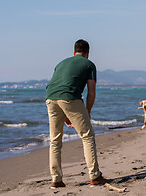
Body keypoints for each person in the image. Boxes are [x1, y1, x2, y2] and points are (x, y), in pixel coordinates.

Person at [45, 39, 108, 189]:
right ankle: (95, 176)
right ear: (87, 54)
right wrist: (87, 112)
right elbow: (91, 92)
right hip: (69, 99)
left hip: (50, 98)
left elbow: (60, 86)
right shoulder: (89, 64)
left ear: (74, 52)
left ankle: (56, 180)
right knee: (87, 136)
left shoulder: (61, 63)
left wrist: (67, 113)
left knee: (55, 141)